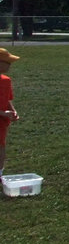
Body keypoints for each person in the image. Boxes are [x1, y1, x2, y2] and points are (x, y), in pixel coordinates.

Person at [0, 48, 20, 178]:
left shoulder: (6, 81)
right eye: (7, 61)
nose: (10, 64)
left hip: (2, 122)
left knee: (1, 147)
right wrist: (2, 113)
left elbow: (7, 99)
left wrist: (12, 110)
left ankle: (0, 173)